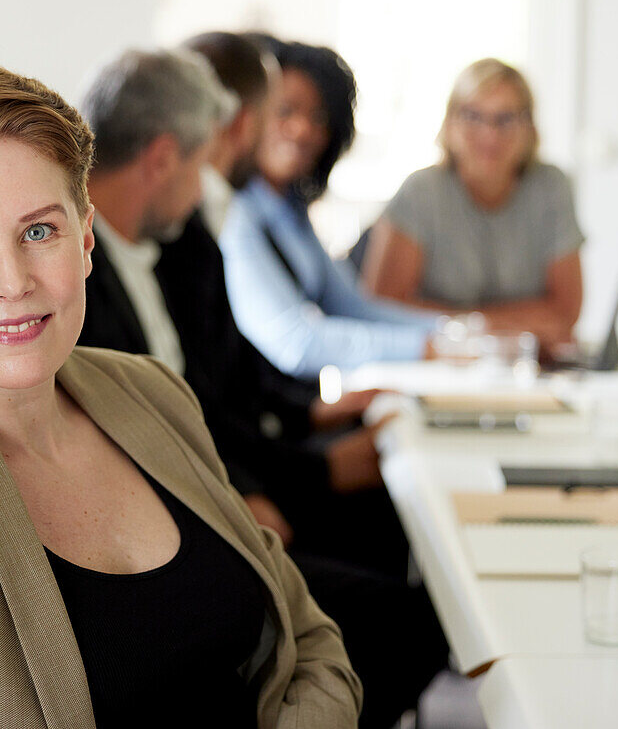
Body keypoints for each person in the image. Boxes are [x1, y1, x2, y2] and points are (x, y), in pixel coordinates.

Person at [0, 59, 361, 728]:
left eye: (39, 232)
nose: (11, 281)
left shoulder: (154, 396)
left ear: (85, 238)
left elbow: (313, 647)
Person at [76, 40, 446, 728]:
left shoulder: (166, 245)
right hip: (177, 530)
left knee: (396, 544)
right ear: (163, 157)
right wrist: (274, 486)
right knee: (410, 613)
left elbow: (206, 400)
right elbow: (149, 437)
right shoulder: (78, 277)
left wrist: (307, 436)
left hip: (216, 494)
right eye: (204, 163)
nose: (215, 184)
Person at [218, 39, 447, 381]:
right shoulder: (235, 215)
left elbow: (353, 308)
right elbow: (295, 344)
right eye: (286, 111)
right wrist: (430, 349)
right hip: (254, 421)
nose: (304, 130)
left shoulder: (291, 209)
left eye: (319, 117)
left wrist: (457, 334)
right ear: (252, 116)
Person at [361, 58, 585, 350]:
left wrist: (461, 325)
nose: (490, 134)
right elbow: (384, 309)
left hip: (521, 365)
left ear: (529, 127)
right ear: (450, 123)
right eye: (473, 116)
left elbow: (564, 313)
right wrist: (489, 329)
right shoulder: (421, 192)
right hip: (436, 361)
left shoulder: (551, 187)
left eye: (505, 119)